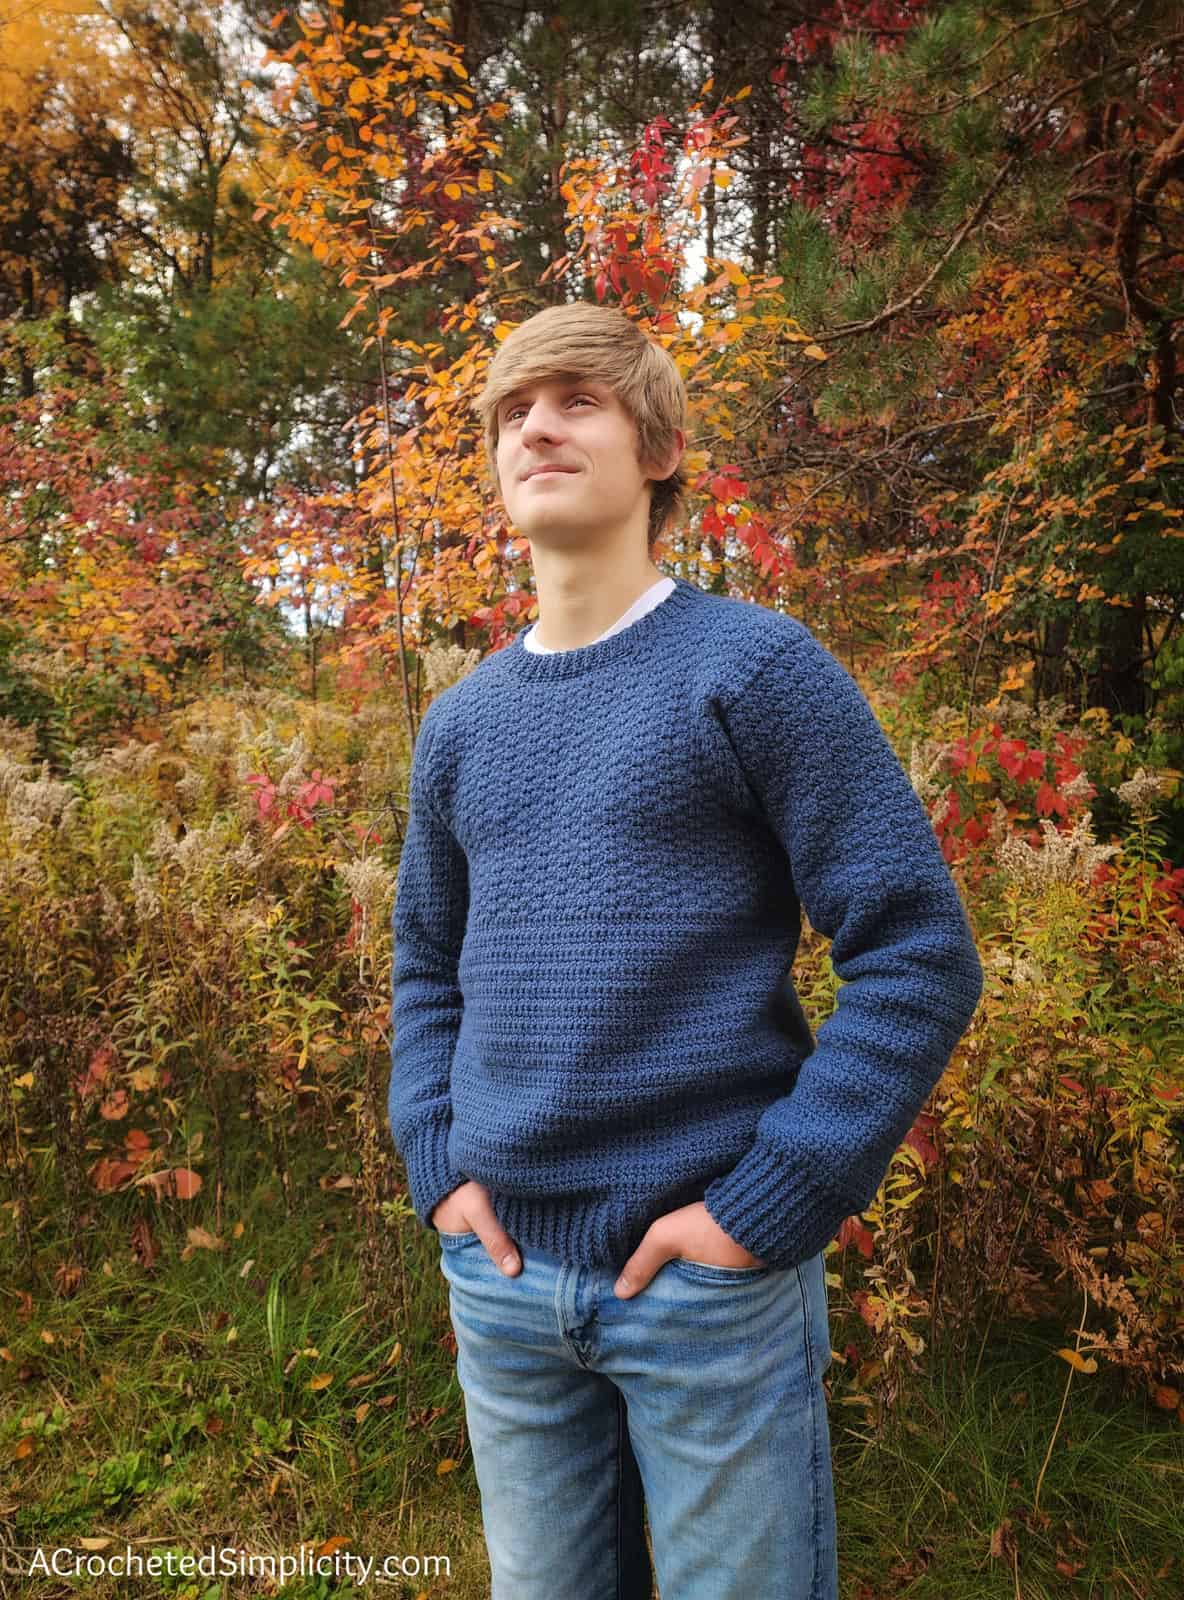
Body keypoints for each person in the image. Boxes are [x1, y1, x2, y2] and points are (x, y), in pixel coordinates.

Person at [387, 301, 984, 1599]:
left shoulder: (754, 672)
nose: (534, 425)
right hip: (500, 1286)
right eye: (510, 412)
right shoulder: (462, 724)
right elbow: (427, 970)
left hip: (707, 1290)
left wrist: (766, 1209)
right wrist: (439, 1164)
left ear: (656, 448)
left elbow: (917, 953)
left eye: (575, 401)